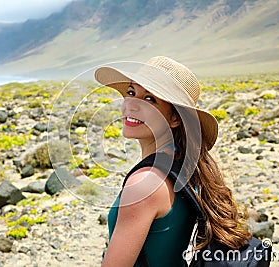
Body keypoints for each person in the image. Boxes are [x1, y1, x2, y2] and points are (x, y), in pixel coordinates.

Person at [94, 56, 250, 267]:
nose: (132, 104)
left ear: (175, 119)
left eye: (150, 99)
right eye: (131, 93)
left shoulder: (145, 184)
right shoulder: (185, 169)